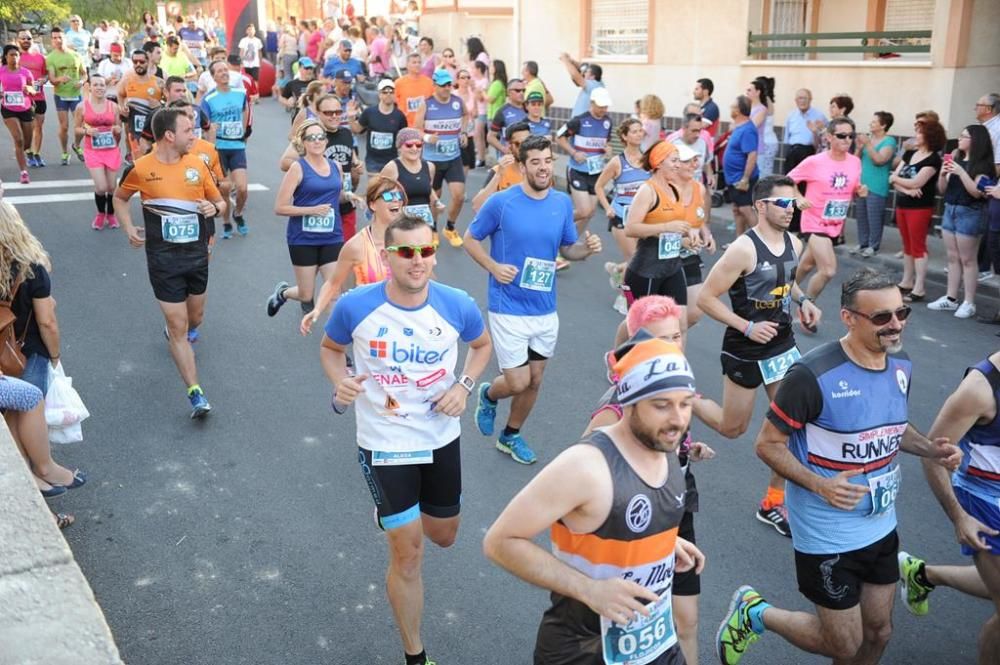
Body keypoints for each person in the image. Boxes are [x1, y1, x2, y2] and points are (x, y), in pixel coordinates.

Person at [715, 267, 962, 665]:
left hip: (881, 522)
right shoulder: (812, 375)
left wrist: (931, 449)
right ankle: (755, 613)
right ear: (849, 317)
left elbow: (892, 427)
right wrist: (820, 485)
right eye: (881, 317)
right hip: (827, 532)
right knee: (843, 644)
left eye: (902, 313)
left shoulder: (901, 365)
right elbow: (767, 445)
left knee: (879, 633)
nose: (895, 325)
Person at [320, 215, 492, 665]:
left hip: (440, 437)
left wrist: (464, 387)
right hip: (384, 439)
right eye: (407, 252)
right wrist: (340, 383)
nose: (418, 261)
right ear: (387, 256)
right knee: (409, 551)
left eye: (426, 251)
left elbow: (481, 345)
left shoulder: (457, 304)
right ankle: (415, 654)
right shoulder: (356, 306)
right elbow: (330, 349)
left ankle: (397, 515)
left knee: (444, 535)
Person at [483, 333, 704, 665]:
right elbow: (500, 542)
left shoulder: (665, 444)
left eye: (685, 403)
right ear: (629, 401)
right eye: (661, 405)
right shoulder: (585, 466)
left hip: (651, 638)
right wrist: (590, 590)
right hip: (582, 648)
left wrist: (659, 543)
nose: (678, 420)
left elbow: (621, 519)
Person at [582, 298, 715, 664]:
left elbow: (664, 445)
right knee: (629, 631)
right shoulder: (615, 410)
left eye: (677, 336)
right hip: (633, 527)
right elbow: (583, 470)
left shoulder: (673, 387)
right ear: (638, 345)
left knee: (686, 621)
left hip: (677, 513)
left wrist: (688, 451)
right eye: (661, 339)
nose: (673, 347)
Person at [696, 175, 821, 537]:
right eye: (783, 204)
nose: (790, 210)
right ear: (761, 206)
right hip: (745, 349)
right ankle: (687, 400)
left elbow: (787, 279)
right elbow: (706, 297)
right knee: (732, 428)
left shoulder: (795, 243)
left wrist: (803, 300)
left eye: (793, 204)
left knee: (792, 426)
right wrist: (746, 327)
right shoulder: (742, 250)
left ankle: (773, 502)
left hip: (782, 345)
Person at [465, 135, 603, 464]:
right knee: (517, 380)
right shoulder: (502, 203)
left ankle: (510, 435)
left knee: (535, 380)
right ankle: (489, 393)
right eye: (536, 162)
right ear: (523, 166)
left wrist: (587, 250)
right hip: (507, 304)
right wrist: (493, 266)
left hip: (544, 307)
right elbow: (470, 239)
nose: (543, 168)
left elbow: (567, 247)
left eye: (547, 161)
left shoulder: (561, 203)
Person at [112, 107, 226, 418]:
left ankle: (179, 331)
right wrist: (127, 227)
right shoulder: (140, 168)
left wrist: (213, 208)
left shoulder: (198, 166)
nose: (195, 135)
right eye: (189, 130)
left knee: (194, 319)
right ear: (169, 135)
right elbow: (119, 198)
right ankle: (195, 392)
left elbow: (220, 201)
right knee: (178, 327)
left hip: (196, 255)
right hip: (162, 259)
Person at [902, 350, 1000, 663]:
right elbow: (933, 455)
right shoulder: (980, 389)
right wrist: (960, 517)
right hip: (983, 504)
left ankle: (925, 575)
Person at [301, 176, 405, 335]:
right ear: (372, 204)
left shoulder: (409, 239)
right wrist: (317, 310)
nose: (396, 201)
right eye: (389, 196)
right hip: (371, 324)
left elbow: (426, 280)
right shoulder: (356, 246)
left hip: (403, 319)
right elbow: (333, 283)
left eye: (399, 196)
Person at [267, 120, 347, 319]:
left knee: (334, 291)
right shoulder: (298, 168)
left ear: (326, 140)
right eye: (311, 138)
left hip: (332, 236)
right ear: (303, 143)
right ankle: (283, 293)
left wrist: (351, 197)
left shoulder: (336, 166)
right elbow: (280, 207)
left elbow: (337, 196)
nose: (317, 141)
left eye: (320, 137)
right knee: (306, 294)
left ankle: (334, 343)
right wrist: (312, 210)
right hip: (303, 239)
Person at [789, 117, 866, 305]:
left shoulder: (855, 162)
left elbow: (852, 188)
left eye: (850, 136)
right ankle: (807, 307)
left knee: (806, 265)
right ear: (829, 137)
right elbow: (788, 180)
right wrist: (798, 197)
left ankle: (779, 292)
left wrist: (859, 191)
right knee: (828, 270)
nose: (847, 140)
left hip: (835, 224)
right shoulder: (814, 161)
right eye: (841, 135)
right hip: (814, 222)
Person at [927, 124, 995, 319]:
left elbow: (977, 192)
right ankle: (950, 298)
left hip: (970, 211)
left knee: (968, 259)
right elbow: (942, 189)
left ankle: (969, 302)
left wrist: (961, 172)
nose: (960, 139)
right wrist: (942, 173)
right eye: (960, 135)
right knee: (952, 257)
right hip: (951, 208)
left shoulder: (983, 166)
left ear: (976, 141)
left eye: (964, 136)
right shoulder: (956, 159)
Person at [280, 94, 363, 242]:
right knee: (322, 256)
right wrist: (312, 168)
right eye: (328, 113)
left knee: (347, 254)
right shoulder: (311, 136)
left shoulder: (346, 133)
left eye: (338, 112)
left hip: (345, 203)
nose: (334, 116)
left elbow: (349, 158)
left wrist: (356, 165)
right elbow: (284, 162)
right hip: (320, 206)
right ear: (318, 113)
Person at [0, 201, 62, 396]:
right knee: (28, 413)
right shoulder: (31, 269)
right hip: (25, 353)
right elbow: (47, 322)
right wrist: (55, 356)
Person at [889, 119, 946, 304]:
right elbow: (893, 178)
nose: (916, 135)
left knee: (918, 247)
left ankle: (919, 287)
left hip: (920, 208)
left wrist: (901, 182)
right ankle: (906, 281)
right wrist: (907, 190)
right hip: (903, 204)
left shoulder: (933, 159)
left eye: (920, 132)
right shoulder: (910, 153)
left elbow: (916, 182)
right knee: (907, 245)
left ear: (929, 136)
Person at [414, 69, 468, 247]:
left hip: (453, 157)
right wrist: (428, 138)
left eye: (449, 85)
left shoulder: (457, 102)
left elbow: (466, 115)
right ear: (435, 85)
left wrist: (464, 132)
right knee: (434, 198)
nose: (447, 88)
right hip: (433, 160)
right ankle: (434, 229)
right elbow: (416, 129)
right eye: (443, 85)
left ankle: (450, 228)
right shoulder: (427, 104)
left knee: (459, 196)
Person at [201, 60, 250, 238]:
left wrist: (244, 132)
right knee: (225, 188)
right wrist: (210, 148)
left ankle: (238, 213)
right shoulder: (208, 99)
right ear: (213, 76)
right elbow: (206, 126)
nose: (224, 73)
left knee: (243, 188)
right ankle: (227, 222)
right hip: (220, 148)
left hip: (237, 146)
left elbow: (245, 111)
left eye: (225, 70)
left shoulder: (240, 93)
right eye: (219, 71)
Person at [557, 87, 614, 235]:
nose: (603, 109)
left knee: (590, 213)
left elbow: (605, 143)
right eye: (600, 106)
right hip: (577, 170)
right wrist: (574, 152)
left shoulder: (608, 122)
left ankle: (571, 241)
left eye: (605, 106)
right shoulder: (579, 120)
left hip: (596, 172)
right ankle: (556, 224)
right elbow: (559, 137)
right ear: (592, 103)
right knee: (584, 211)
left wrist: (607, 149)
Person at [595, 118, 647, 274]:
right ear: (625, 137)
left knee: (642, 259)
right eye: (634, 131)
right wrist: (607, 207)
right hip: (621, 215)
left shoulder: (648, 159)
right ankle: (624, 297)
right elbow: (598, 186)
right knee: (633, 259)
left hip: (643, 216)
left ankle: (617, 270)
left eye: (640, 131)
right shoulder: (617, 162)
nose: (639, 134)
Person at [74, 73, 123, 230]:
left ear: (106, 87)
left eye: (102, 85)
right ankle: (101, 214)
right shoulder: (82, 107)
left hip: (111, 149)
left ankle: (111, 215)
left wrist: (116, 129)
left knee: (111, 187)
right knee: (101, 187)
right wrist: (86, 132)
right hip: (93, 150)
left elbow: (119, 128)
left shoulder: (113, 106)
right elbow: (76, 129)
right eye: (96, 85)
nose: (99, 88)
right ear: (89, 87)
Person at [852, 111, 897, 257]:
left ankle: (873, 245)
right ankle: (863, 242)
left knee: (874, 216)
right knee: (862, 215)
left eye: (874, 122)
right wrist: (859, 147)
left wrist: (867, 144)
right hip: (862, 184)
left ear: (883, 125)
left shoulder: (889, 141)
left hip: (877, 185)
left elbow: (880, 160)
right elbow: (855, 161)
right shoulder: (868, 140)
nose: (870, 124)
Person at [381, 127, 439, 237]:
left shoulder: (429, 167)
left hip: (424, 222)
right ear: (399, 147)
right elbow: (380, 195)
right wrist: (397, 202)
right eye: (409, 145)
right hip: (401, 223)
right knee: (406, 253)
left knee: (426, 253)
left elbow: (428, 189)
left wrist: (436, 202)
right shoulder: (392, 167)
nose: (414, 148)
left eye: (418, 145)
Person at [45, 27, 87, 166]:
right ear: (51, 40)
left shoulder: (76, 55)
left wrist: (81, 82)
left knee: (80, 125)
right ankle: (64, 152)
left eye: (60, 37)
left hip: (75, 94)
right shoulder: (51, 58)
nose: (58, 40)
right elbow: (51, 78)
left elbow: (84, 74)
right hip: (61, 95)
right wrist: (59, 79)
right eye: (54, 38)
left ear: (65, 38)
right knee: (64, 127)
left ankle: (76, 145)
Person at [470, 122, 530, 213]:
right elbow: (477, 206)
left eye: (528, 142)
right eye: (519, 144)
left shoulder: (540, 170)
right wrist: (498, 175)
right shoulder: (500, 170)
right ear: (509, 146)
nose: (525, 148)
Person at [353, 78, 408, 176]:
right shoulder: (369, 112)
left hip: (392, 161)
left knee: (390, 190)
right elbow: (356, 129)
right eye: (385, 92)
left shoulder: (399, 116)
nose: (388, 94)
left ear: (394, 94)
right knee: (374, 190)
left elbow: (403, 140)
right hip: (373, 161)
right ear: (379, 94)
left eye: (391, 92)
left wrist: (403, 159)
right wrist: (350, 118)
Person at [116, 49, 163, 161]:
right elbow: (119, 94)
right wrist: (122, 108)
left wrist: (159, 106)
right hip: (135, 130)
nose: (138, 64)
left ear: (148, 62)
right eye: (135, 62)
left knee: (154, 160)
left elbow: (170, 103)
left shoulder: (158, 82)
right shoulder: (127, 81)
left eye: (141, 62)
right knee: (139, 162)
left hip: (153, 129)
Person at [0, 45, 38, 185]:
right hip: (8, 108)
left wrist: (29, 89)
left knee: (26, 143)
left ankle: (20, 151)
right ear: (5, 57)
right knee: (19, 139)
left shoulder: (26, 72)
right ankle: (24, 172)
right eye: (11, 55)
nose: (14, 57)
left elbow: (34, 90)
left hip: (26, 108)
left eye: (16, 55)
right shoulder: (1, 71)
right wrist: (1, 94)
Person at [723, 95, 759, 237]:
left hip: (741, 178)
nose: (730, 109)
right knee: (737, 210)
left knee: (745, 210)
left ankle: (765, 244)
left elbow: (752, 155)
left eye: (732, 106)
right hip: (734, 178)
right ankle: (739, 243)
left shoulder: (747, 130)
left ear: (738, 110)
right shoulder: (740, 127)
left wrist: (745, 178)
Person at [15, 31, 47, 169]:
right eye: (23, 38)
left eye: (29, 38)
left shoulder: (40, 57)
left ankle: (36, 153)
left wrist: (43, 80)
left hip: (39, 97)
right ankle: (28, 153)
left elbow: (46, 75)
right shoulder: (14, 57)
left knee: (38, 127)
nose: (26, 40)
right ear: (18, 40)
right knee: (26, 128)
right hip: (22, 98)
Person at [782, 89, 826, 176]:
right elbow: (786, 138)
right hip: (792, 151)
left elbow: (824, 140)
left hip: (808, 152)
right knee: (789, 180)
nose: (802, 101)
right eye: (799, 98)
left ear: (810, 99)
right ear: (795, 101)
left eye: (805, 98)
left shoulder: (819, 116)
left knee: (804, 182)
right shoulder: (791, 115)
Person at [486, 76, 526, 154]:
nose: (521, 93)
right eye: (517, 90)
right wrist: (503, 149)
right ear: (508, 92)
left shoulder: (529, 109)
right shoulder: (502, 112)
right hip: (509, 159)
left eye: (523, 90)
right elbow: (490, 137)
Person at [748, 76, 778, 178]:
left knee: (764, 173)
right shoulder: (757, 104)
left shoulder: (765, 104)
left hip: (767, 142)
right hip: (762, 141)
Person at [559, 52, 603, 119]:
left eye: (586, 72)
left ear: (592, 76)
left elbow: (575, 75)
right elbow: (582, 67)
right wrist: (572, 61)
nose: (584, 73)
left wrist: (565, 60)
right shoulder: (599, 82)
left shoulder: (592, 86)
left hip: (583, 124)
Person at [395, 53, 433, 128]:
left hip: (425, 126)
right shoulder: (399, 83)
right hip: (406, 126)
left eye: (419, 62)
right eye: (414, 62)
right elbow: (393, 103)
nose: (417, 65)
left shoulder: (429, 82)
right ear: (407, 65)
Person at [455, 68, 480, 173]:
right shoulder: (454, 95)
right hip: (457, 132)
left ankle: (461, 185)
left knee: (469, 163)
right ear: (457, 80)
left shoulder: (472, 95)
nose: (466, 80)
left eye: (468, 77)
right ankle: (461, 186)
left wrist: (471, 113)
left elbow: (476, 114)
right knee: (464, 162)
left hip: (469, 132)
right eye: (463, 77)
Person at [485, 59, 507, 134]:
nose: (490, 68)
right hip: (495, 115)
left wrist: (482, 92)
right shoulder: (497, 83)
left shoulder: (497, 83)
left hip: (494, 116)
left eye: (492, 66)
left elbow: (490, 99)